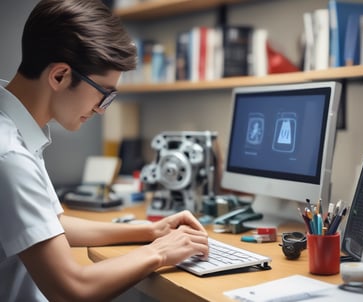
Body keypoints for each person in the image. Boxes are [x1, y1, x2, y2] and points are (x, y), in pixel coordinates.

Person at [0, 0, 209, 301]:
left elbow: (50, 225)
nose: (101, 110)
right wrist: (159, 253)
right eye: (104, 94)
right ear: (59, 76)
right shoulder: (10, 156)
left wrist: (148, 231)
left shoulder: (15, 128)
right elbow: (73, 289)